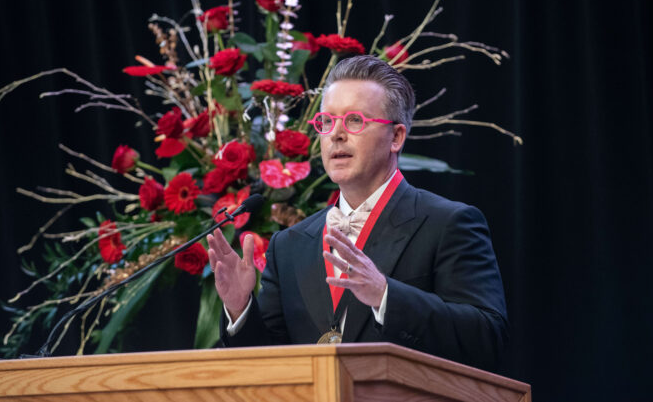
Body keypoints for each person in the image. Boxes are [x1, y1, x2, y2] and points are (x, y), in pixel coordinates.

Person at [206, 55, 508, 371]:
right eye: (326, 121)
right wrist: (239, 308)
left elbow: (487, 338)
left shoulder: (449, 223)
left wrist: (386, 296)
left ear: (396, 137)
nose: (336, 134)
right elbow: (268, 365)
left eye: (354, 121)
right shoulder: (289, 245)